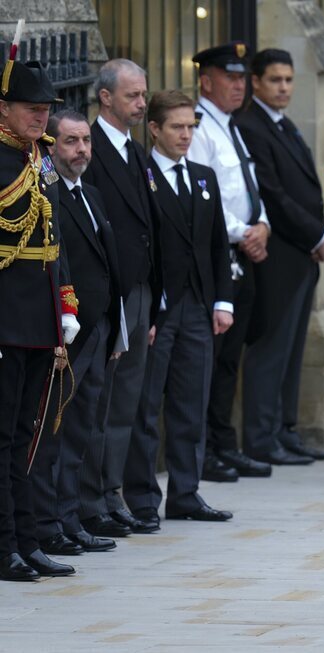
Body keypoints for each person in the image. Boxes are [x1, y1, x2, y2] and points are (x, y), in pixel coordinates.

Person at [186, 43, 298, 474]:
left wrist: (262, 226)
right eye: (229, 78)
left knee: (231, 357)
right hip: (221, 253)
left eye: (240, 78)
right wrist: (243, 233)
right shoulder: (199, 128)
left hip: (245, 250)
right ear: (206, 81)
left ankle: (223, 442)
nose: (238, 85)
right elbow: (205, 198)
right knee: (213, 358)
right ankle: (209, 448)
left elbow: (249, 189)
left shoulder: (230, 126)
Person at [124, 90, 235, 522]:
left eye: (192, 127)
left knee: (192, 403)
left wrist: (222, 301)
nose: (187, 135)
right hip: (160, 308)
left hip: (198, 307)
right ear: (154, 129)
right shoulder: (142, 173)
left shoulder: (204, 177)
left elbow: (216, 245)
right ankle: (143, 498)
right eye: (177, 127)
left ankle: (186, 493)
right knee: (147, 406)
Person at [33, 110, 124, 557]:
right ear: (52, 146)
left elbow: (108, 265)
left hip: (99, 331)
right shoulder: (48, 197)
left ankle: (71, 518)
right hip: (67, 336)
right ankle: (51, 523)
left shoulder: (91, 193)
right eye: (70, 141)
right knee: (56, 432)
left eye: (86, 140)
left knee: (83, 429)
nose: (82, 150)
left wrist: (118, 326)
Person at [235, 48, 324, 464]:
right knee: (271, 348)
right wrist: (316, 234)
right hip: (279, 255)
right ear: (255, 81)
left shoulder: (284, 124)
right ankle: (261, 437)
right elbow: (272, 194)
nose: (284, 88)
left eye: (289, 80)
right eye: (275, 80)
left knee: (292, 349)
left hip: (301, 258)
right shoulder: (250, 125)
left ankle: (285, 429)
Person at [0, 54, 76, 580]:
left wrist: (65, 305)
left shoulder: (41, 159)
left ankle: (28, 539)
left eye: (45, 110)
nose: (41, 119)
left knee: (29, 437)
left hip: (40, 319)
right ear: (3, 109)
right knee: (2, 437)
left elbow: (53, 239)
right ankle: (5, 543)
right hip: (5, 318)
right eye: (30, 109)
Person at [82, 58, 161, 536]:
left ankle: (113, 493)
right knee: (99, 400)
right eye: (132, 95)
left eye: (143, 94)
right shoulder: (88, 149)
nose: (141, 103)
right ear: (106, 97)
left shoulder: (136, 151)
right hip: (108, 294)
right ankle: (92, 499)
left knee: (127, 400)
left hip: (141, 291)